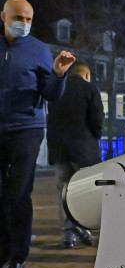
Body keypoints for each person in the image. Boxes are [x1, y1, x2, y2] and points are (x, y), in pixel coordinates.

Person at [0, 0, 76, 268]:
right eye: (18, 17)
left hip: (26, 129)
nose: (24, 23)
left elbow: (51, 93)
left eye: (29, 19)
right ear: (3, 16)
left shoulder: (39, 50)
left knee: (18, 193)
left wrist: (58, 73)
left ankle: (17, 258)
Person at [47, 61, 104, 248]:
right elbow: (97, 119)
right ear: (86, 75)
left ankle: (68, 233)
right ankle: (84, 227)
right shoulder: (89, 89)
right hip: (84, 151)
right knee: (86, 191)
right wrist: (95, 137)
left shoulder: (57, 90)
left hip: (60, 151)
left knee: (64, 192)